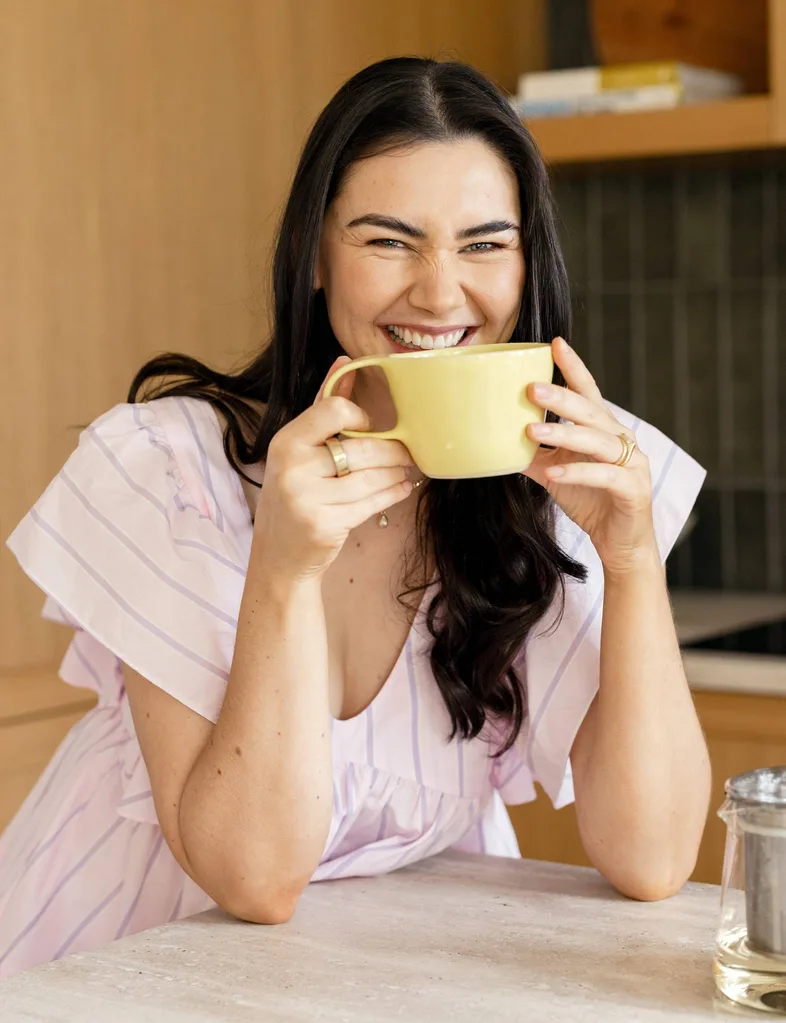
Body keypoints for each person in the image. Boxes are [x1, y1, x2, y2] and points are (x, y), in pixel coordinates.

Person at [0, 57, 710, 977]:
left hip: (375, 980)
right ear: (314, 259)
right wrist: (284, 568)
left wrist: (631, 556)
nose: (442, 293)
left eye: (486, 243)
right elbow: (254, 878)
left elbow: (655, 859)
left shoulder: (562, 474)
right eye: (389, 241)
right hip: (110, 967)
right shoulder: (171, 468)